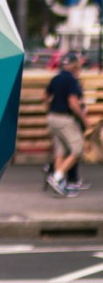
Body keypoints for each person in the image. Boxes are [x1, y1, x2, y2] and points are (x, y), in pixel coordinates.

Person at [45, 50, 88, 198]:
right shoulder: (72, 80)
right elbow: (73, 103)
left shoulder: (56, 78)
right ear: (76, 65)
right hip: (65, 119)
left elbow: (45, 96)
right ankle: (57, 178)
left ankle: (59, 184)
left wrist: (49, 109)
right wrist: (84, 119)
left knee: (60, 151)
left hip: (52, 118)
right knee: (78, 149)